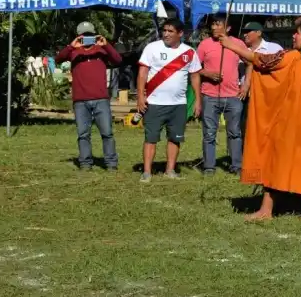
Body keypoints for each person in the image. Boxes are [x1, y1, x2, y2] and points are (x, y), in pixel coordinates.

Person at [218, 20, 301, 222]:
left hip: (292, 124)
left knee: (273, 161)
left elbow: (260, 60)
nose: (293, 36)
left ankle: (266, 210)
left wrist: (231, 45)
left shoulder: (292, 57)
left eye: (297, 33)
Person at [137, 18, 203, 182]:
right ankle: (146, 172)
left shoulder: (189, 52)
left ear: (180, 33)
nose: (165, 34)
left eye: (170, 31)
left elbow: (195, 76)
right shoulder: (152, 48)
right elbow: (142, 73)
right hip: (154, 103)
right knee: (151, 138)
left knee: (175, 138)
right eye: (164, 30)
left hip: (179, 104)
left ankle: (170, 170)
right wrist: (140, 96)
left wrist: (198, 100)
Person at [54, 21, 122, 171]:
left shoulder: (101, 50)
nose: (87, 38)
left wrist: (106, 45)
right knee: (83, 134)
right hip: (80, 101)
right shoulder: (73, 52)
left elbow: (117, 60)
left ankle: (111, 163)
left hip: (101, 99)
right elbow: (58, 59)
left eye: (90, 35)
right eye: (84, 36)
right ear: (78, 36)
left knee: (107, 133)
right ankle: (85, 163)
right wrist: (72, 46)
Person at [196, 14, 245, 175]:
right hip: (209, 96)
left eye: (218, 25)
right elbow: (195, 69)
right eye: (213, 25)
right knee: (209, 133)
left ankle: (236, 166)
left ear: (228, 28)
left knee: (235, 132)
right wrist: (208, 74)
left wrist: (246, 85)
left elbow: (250, 63)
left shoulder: (237, 43)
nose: (214, 28)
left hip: (233, 96)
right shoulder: (204, 44)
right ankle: (209, 166)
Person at [238, 21, 282, 145]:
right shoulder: (241, 50)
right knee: (244, 129)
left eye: (248, 32)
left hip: (267, 98)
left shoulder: (274, 48)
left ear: (259, 33)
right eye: (244, 32)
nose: (245, 35)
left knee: (266, 130)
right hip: (245, 97)